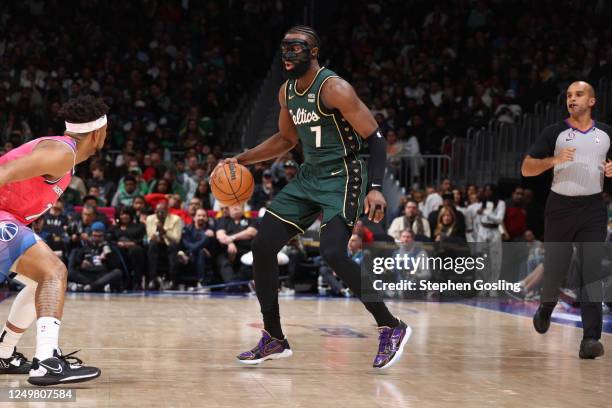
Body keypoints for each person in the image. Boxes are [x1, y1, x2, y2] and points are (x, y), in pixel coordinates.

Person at [224, 26, 409, 369]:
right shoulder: (286, 92)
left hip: (343, 175)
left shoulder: (335, 88)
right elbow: (285, 140)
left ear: (314, 52)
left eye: (297, 48)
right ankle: (275, 338)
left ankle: (390, 325)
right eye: (285, 48)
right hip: (309, 176)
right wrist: (241, 159)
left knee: (334, 253)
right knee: (263, 246)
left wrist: (377, 188)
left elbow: (376, 138)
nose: (289, 54)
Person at [0, 95, 103, 384]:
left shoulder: (63, 154)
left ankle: (4, 353)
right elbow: (3, 172)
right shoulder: (61, 153)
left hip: (8, 218)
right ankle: (47, 362)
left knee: (39, 281)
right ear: (98, 133)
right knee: (53, 271)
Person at [521, 80, 612, 359]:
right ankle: (546, 306)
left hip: (593, 207)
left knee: (590, 271)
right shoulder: (555, 132)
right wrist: (553, 160)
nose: (572, 99)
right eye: (569, 95)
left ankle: (590, 340)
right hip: (560, 206)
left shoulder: (607, 134)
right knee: (556, 267)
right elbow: (526, 169)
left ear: (592, 101)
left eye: (579, 94)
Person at [145, 201, 183, 290]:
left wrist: (164, 231)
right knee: (152, 245)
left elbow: (176, 239)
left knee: (173, 246)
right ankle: (152, 280)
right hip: (157, 245)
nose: (159, 214)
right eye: (157, 211)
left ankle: (173, 281)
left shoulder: (176, 219)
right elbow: (150, 236)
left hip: (171, 245)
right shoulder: (150, 219)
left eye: (162, 211)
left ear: (167, 211)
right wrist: (157, 234)